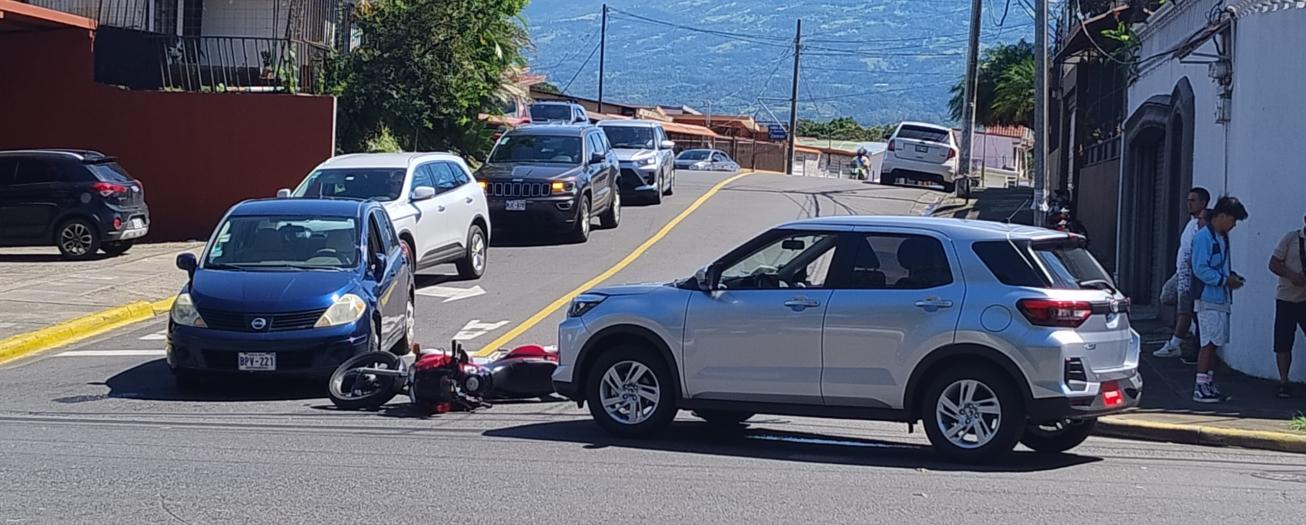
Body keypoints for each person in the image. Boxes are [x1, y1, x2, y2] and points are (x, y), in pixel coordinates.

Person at [1190, 196, 1248, 403]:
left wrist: (1229, 277)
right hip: (1207, 299)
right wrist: (1225, 280)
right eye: (1233, 220)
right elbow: (1200, 269)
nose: (1233, 226)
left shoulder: (1220, 237)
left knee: (1215, 343)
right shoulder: (1204, 238)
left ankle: (1208, 382)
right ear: (1222, 216)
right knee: (1209, 342)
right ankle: (1201, 385)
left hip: (1219, 298)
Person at [1155, 187, 1212, 358]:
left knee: (1185, 308)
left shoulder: (1203, 225)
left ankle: (1176, 343)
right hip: (1181, 271)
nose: (1189, 203)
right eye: (1188, 200)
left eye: (1193, 200)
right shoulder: (1191, 223)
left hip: (1190, 273)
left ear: (1203, 203)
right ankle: (1184, 333)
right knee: (1167, 296)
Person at [1268, 212, 1306, 398]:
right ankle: (1284, 381)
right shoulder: (1291, 238)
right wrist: (1293, 276)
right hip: (1287, 298)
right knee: (1283, 342)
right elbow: (1273, 263)